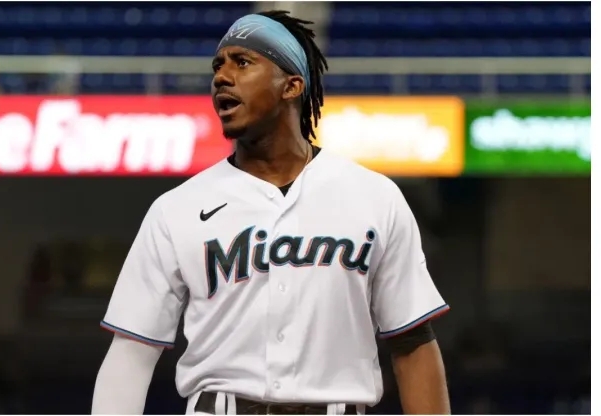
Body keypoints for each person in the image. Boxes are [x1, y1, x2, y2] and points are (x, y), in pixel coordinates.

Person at [92, 10, 450, 415]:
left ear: (291, 85)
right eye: (217, 66)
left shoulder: (375, 197)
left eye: (241, 63)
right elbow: (132, 352)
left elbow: (412, 342)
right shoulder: (176, 209)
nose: (221, 77)